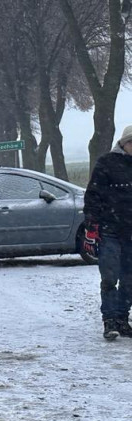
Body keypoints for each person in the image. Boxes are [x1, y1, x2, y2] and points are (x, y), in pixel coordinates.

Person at [84, 125, 132, 340]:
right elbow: (93, 194)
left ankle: (122, 318)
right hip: (110, 229)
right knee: (110, 276)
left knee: (130, 278)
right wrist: (92, 224)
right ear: (123, 144)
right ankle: (110, 321)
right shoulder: (107, 163)